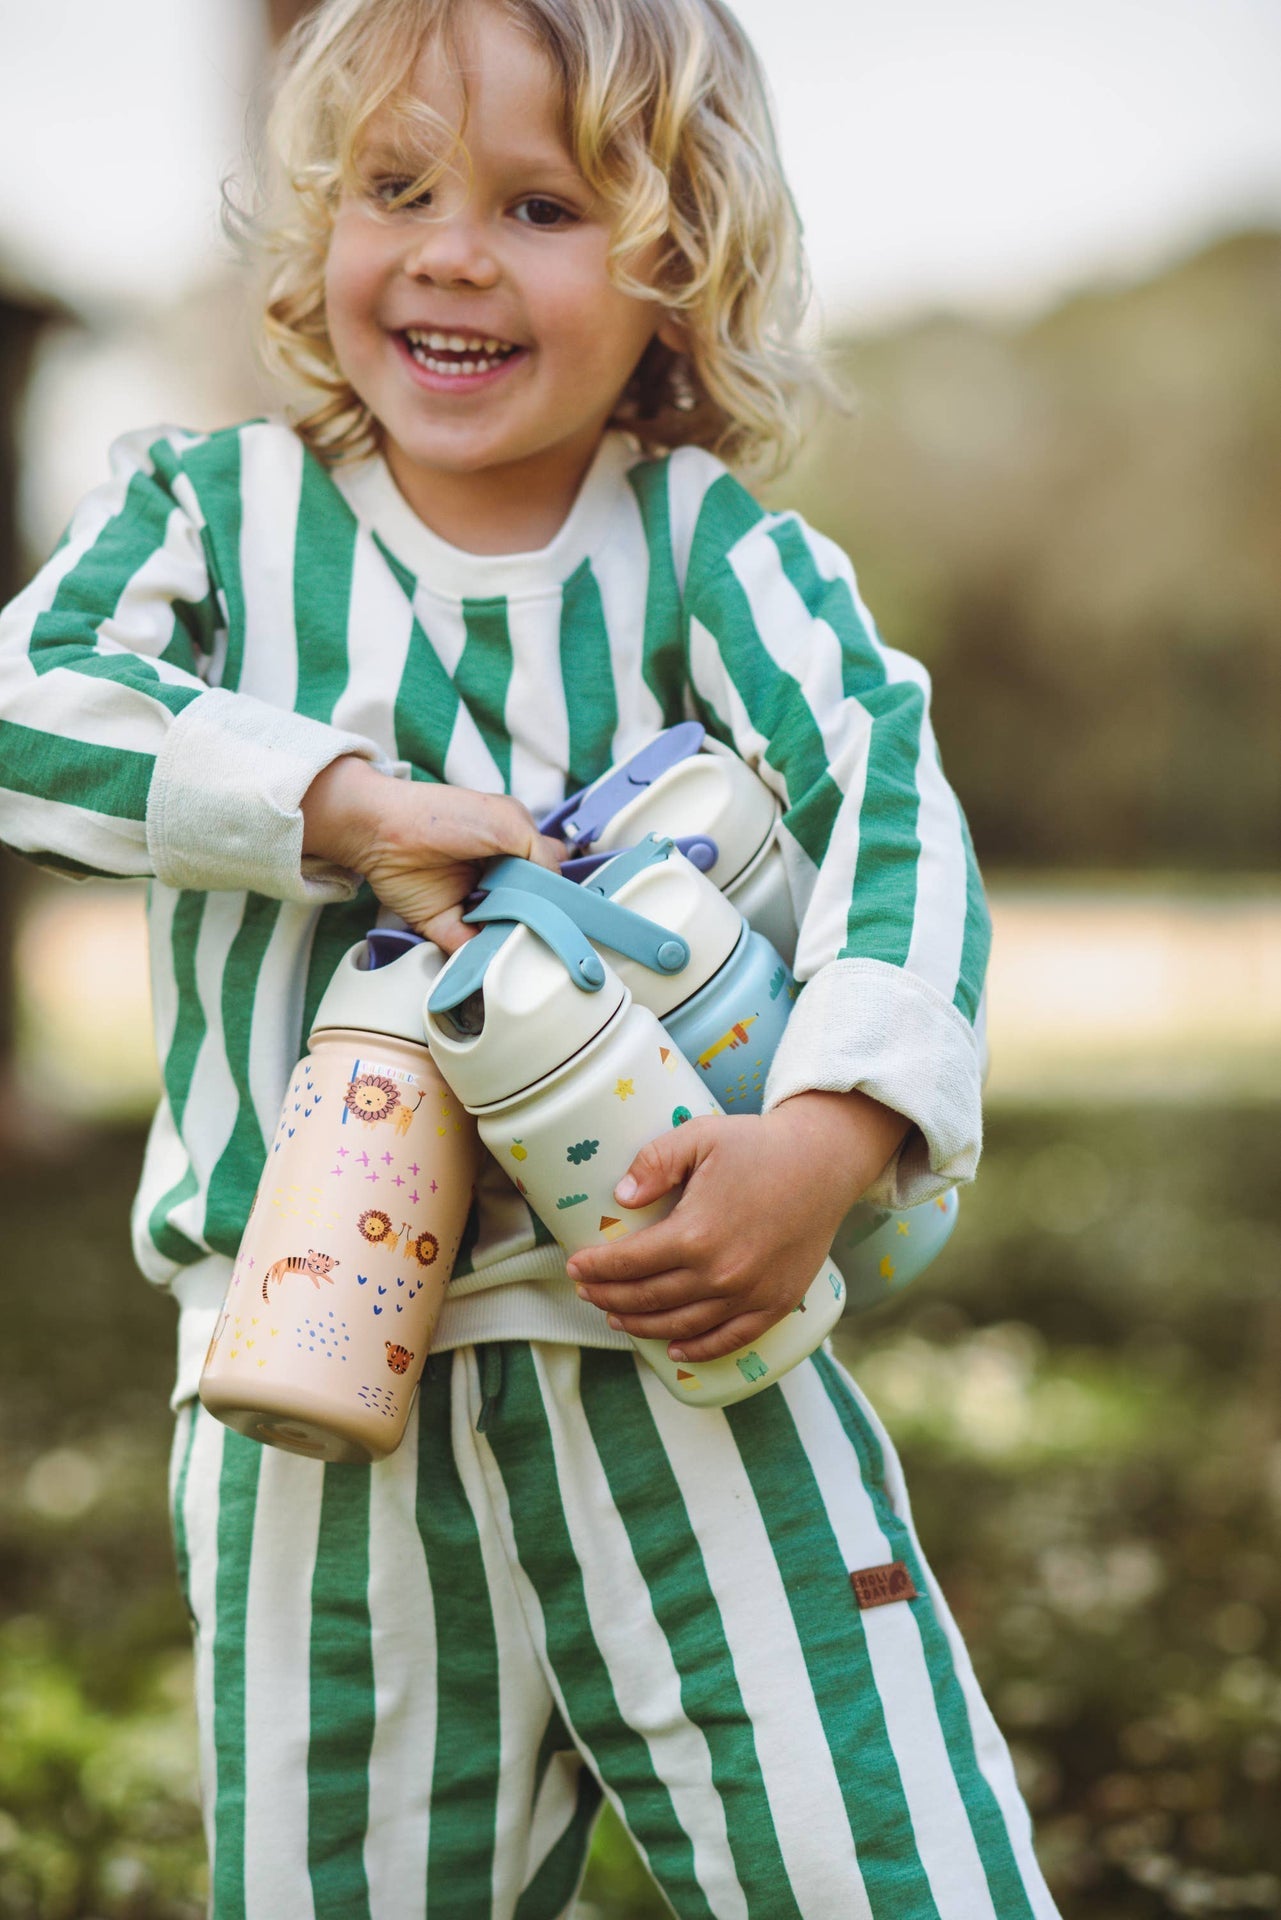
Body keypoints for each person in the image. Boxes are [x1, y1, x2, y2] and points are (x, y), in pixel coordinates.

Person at [0, 0, 1060, 1913]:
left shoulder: (714, 555)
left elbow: (889, 815)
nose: (454, 254)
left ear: (678, 268)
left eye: (543, 206)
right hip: (307, 1393)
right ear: (319, 224)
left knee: (875, 1851)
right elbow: (24, 706)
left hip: (680, 1360)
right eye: (395, 189)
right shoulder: (208, 521)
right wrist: (332, 803)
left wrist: (827, 1139)